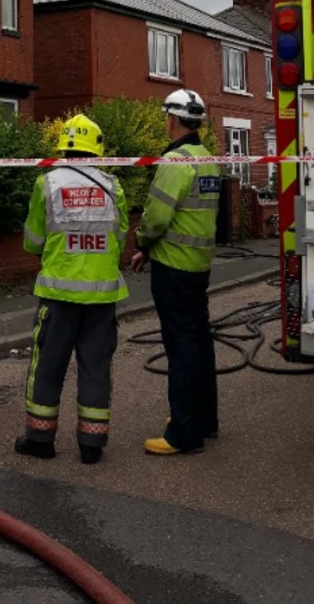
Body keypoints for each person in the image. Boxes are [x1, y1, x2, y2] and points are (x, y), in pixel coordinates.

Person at [15, 114, 129, 465]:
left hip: (58, 296)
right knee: (96, 367)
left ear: (63, 147)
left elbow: (33, 238)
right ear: (96, 149)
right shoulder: (114, 186)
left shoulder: (46, 183)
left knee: (47, 366)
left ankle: (40, 439)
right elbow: (121, 237)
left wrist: (54, 251)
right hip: (102, 297)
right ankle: (91, 446)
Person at [131, 89, 221, 456]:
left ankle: (184, 433)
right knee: (200, 341)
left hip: (173, 266)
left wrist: (141, 245)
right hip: (199, 266)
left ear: (172, 119)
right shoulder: (208, 159)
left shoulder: (176, 161)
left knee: (181, 346)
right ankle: (205, 420)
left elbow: (156, 217)